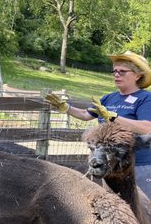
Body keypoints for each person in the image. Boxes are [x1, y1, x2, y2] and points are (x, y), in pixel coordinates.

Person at [45, 50, 151, 197]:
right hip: (110, 166)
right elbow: (85, 115)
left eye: (122, 71)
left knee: (144, 210)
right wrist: (65, 107)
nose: (116, 74)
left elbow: (147, 127)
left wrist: (114, 118)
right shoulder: (108, 98)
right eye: (114, 71)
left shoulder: (145, 99)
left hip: (138, 165)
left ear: (138, 75)